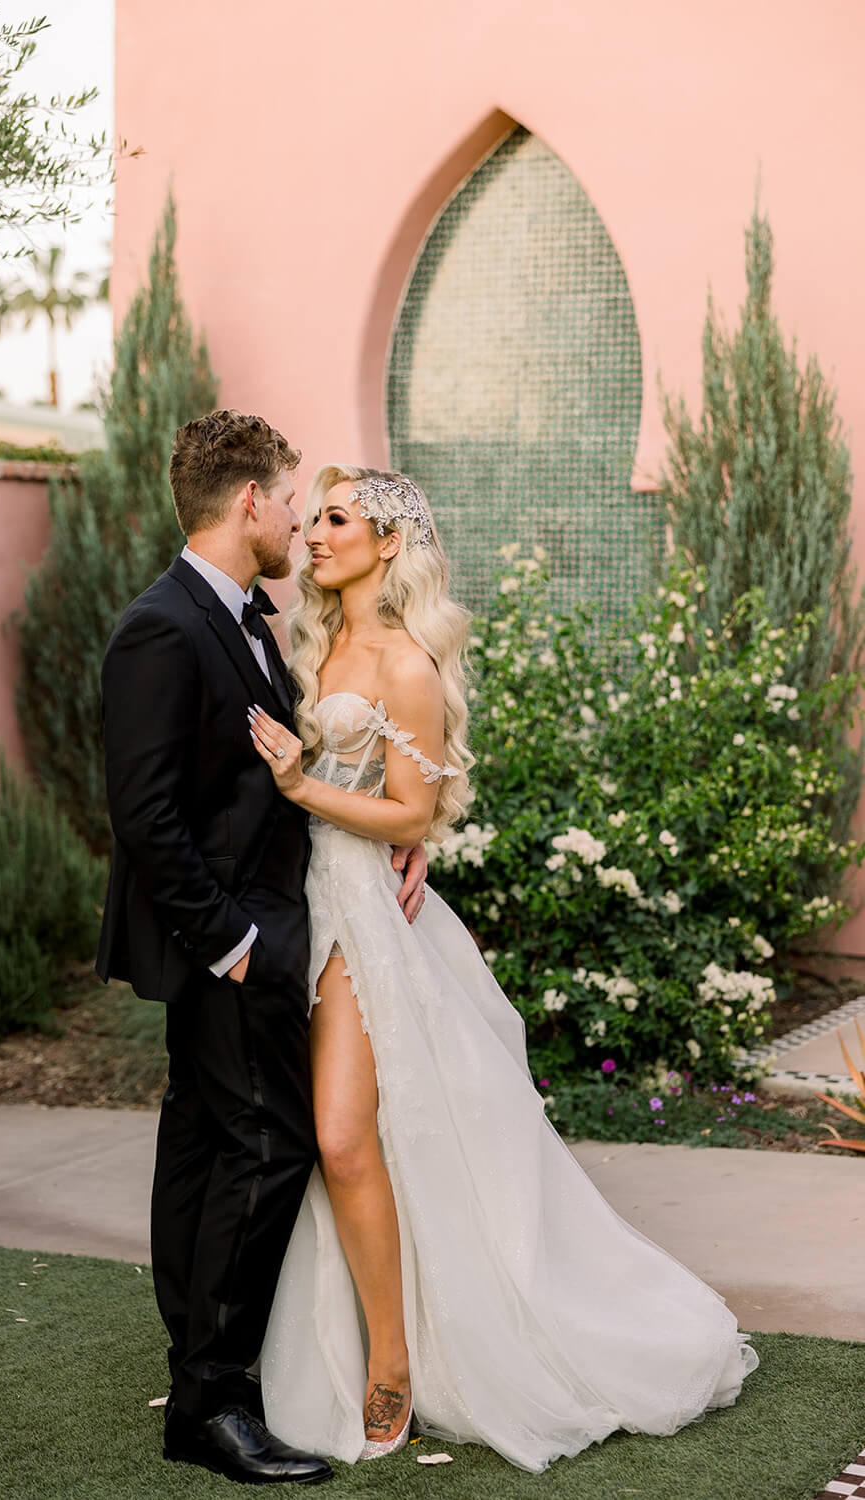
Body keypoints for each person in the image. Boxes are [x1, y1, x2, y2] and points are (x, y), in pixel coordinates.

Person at [247, 462, 760, 1473]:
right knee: (354, 1144)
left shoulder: (404, 664)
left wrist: (304, 785)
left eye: (337, 519)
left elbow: (412, 813)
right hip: (295, 907)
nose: (313, 534)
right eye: (310, 518)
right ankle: (368, 1333)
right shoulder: (304, 640)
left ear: (387, 544)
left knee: (346, 1137)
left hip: (365, 918)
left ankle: (390, 1362)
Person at [96, 413, 427, 1486]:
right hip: (232, 939)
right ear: (248, 504)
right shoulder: (165, 625)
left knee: (202, 1143)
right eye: (290, 500)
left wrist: (401, 842)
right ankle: (214, 1399)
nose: (296, 518)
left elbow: (329, 778)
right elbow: (146, 817)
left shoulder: (252, 616)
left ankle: (199, 1368)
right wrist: (232, 939)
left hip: (295, 918)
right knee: (264, 1147)